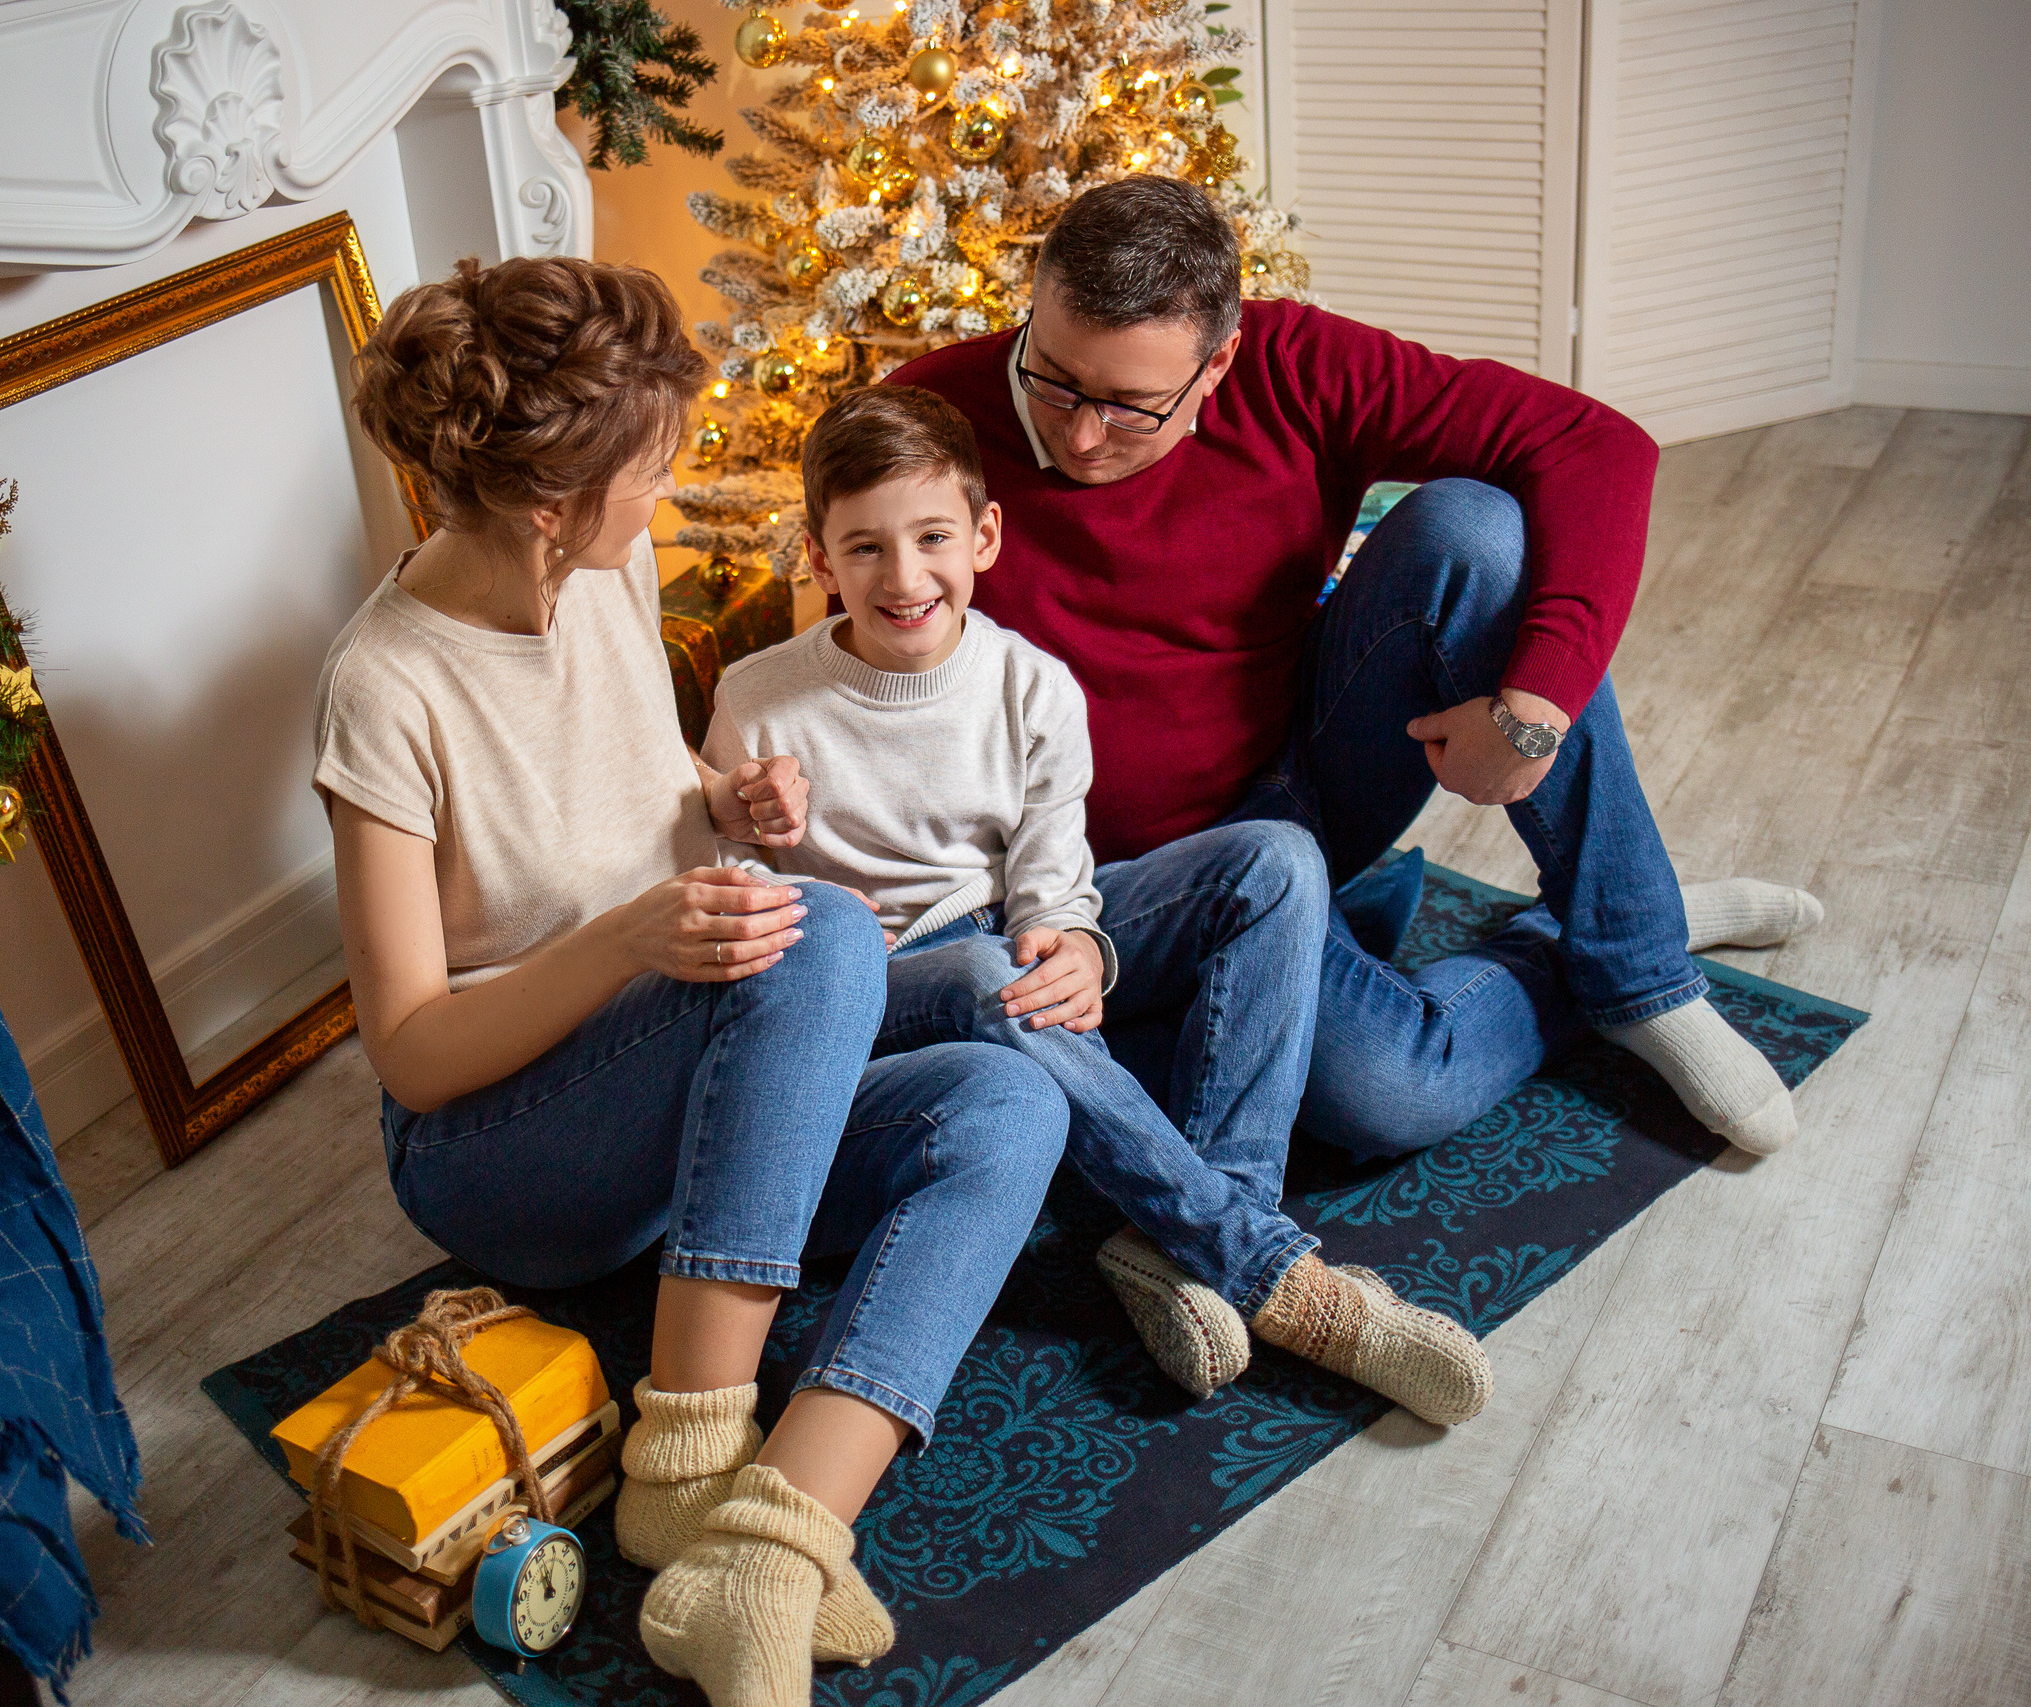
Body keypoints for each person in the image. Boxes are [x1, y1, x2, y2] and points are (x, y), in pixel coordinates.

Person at [316, 255, 1068, 1707]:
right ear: (553, 502)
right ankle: (684, 1462)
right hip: (505, 1154)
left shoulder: (607, 570)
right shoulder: (385, 682)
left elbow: (647, 803)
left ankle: (775, 1542)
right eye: (648, 469)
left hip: (691, 1090)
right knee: (833, 934)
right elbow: (410, 1053)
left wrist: (736, 805)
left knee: (1001, 1099)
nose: (665, 492)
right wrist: (631, 939)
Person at [893, 174, 1826, 1172]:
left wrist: (1534, 712)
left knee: (1475, 534)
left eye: (1129, 408)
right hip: (1102, 885)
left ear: (1219, 365)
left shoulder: (1297, 366)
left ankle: (1642, 969)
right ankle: (1627, 920)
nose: (1079, 435)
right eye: (1056, 378)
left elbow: (1594, 445)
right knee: (1388, 1092)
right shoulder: (929, 413)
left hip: (1300, 781)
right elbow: (867, 682)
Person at [704, 385, 1491, 1427]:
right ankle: (1271, 1275)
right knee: (993, 973)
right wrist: (754, 830)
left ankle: (1196, 1241)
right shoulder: (759, 697)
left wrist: (1072, 934)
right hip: (879, 986)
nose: (902, 578)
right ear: (817, 556)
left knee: (1276, 860)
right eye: (864, 549)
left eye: (931, 537)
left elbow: (1047, 862)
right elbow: (726, 901)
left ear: (983, 536)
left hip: (998, 937)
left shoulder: (1031, 685)